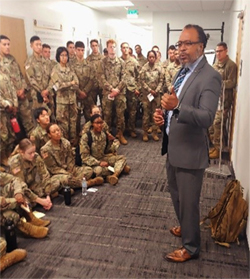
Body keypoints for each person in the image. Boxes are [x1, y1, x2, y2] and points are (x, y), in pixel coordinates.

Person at [153, 24, 221, 262]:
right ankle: (186, 226)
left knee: (189, 201)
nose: (181, 49)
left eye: (187, 44)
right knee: (176, 195)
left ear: (201, 47)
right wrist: (163, 114)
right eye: (179, 44)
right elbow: (173, 103)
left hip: (191, 151)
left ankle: (191, 247)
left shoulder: (210, 76)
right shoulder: (180, 72)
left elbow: (206, 117)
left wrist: (177, 108)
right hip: (173, 146)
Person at [40, 123, 104, 189]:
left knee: (89, 170)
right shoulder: (45, 149)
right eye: (54, 132)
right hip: (57, 174)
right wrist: (66, 173)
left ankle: (72, 185)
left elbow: (70, 159)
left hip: (70, 170)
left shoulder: (66, 143)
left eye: (58, 130)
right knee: (66, 179)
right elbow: (53, 168)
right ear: (49, 135)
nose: (57, 133)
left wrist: (71, 171)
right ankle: (86, 183)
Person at [8, 138, 66, 210]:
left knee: (56, 182)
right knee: (25, 205)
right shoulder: (15, 163)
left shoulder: (36, 156)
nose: (33, 155)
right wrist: (41, 201)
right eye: (30, 153)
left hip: (32, 186)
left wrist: (47, 195)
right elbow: (21, 186)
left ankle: (45, 198)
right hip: (20, 191)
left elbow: (45, 175)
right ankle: (44, 198)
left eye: (33, 152)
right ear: (21, 152)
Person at [80, 114, 130, 186]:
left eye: (101, 123)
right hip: (91, 163)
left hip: (102, 158)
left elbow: (108, 151)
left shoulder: (104, 134)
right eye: (97, 123)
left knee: (122, 158)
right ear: (92, 124)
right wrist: (99, 163)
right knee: (98, 170)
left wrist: (112, 141)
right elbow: (85, 157)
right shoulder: (86, 137)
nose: (100, 125)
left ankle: (115, 175)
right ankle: (117, 170)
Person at [0, 35, 34, 137]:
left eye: (8, 44)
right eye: (4, 44)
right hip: (8, 104)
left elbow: (21, 76)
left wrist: (23, 89)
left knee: (30, 126)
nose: (7, 47)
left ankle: (32, 149)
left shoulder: (12, 59)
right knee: (12, 133)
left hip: (22, 99)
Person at [209, 42, 237, 159]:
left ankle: (218, 149)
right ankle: (214, 147)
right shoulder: (215, 65)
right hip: (214, 100)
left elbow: (231, 83)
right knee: (210, 124)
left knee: (218, 123)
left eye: (220, 51)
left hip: (224, 102)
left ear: (226, 51)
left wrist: (219, 84)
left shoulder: (231, 66)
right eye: (216, 51)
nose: (218, 54)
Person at [97, 39, 127, 145]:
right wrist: (111, 89)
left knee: (120, 115)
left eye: (114, 47)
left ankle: (120, 134)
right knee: (107, 115)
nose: (112, 49)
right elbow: (101, 78)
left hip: (119, 92)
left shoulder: (121, 62)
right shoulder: (102, 62)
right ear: (107, 48)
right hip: (108, 93)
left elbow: (124, 77)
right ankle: (107, 135)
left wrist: (117, 89)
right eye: (110, 47)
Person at [48, 46, 79, 145]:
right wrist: (70, 83)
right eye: (62, 55)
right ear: (58, 56)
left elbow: (77, 83)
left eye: (66, 55)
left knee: (73, 124)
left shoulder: (70, 68)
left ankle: (73, 145)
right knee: (63, 125)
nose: (64, 57)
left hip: (72, 101)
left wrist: (68, 84)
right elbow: (58, 86)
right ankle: (65, 145)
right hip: (62, 103)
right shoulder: (55, 70)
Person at [25, 36, 54, 118]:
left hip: (49, 94)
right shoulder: (29, 62)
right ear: (31, 46)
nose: (39, 47)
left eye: (40, 44)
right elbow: (32, 80)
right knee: (42, 118)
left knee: (52, 117)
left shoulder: (47, 61)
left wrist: (47, 90)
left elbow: (53, 77)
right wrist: (42, 93)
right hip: (38, 96)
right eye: (36, 45)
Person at [140, 50, 164, 142]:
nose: (151, 58)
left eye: (153, 57)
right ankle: (145, 133)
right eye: (149, 57)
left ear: (155, 57)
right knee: (146, 115)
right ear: (147, 57)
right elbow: (142, 81)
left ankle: (154, 133)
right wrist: (150, 90)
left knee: (156, 114)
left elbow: (162, 80)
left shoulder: (159, 68)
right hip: (147, 95)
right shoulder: (144, 68)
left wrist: (156, 90)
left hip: (156, 95)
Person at [70, 41, 94, 129]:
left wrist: (85, 91)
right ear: (75, 50)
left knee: (89, 115)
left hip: (87, 94)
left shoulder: (89, 64)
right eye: (79, 50)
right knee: (76, 117)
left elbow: (92, 79)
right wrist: (79, 92)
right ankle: (76, 136)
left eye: (82, 50)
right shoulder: (70, 64)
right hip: (76, 94)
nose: (81, 52)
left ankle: (88, 134)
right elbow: (71, 79)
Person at [120, 42, 140, 138]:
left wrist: (137, 88)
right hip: (121, 90)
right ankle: (122, 130)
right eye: (123, 48)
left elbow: (139, 76)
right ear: (121, 49)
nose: (125, 49)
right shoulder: (118, 61)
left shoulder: (134, 61)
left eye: (127, 48)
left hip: (132, 89)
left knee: (132, 111)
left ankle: (131, 129)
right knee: (121, 111)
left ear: (129, 49)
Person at [86, 39, 104, 104]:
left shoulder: (103, 58)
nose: (94, 47)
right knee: (92, 106)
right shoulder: (88, 59)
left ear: (98, 46)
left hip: (102, 85)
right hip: (92, 86)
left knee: (104, 106)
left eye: (96, 45)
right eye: (93, 46)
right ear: (91, 47)